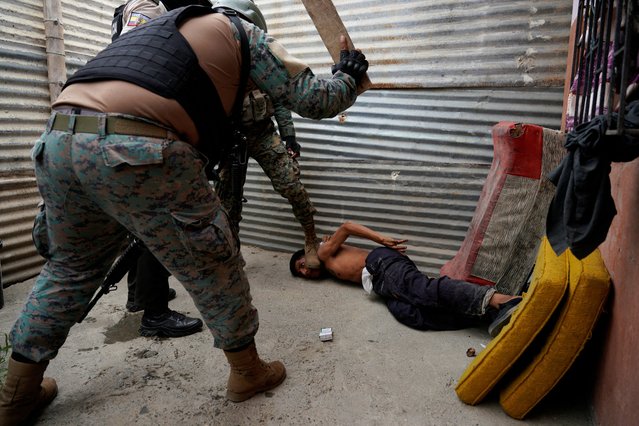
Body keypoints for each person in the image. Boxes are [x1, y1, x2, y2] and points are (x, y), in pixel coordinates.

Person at [0, 2, 368, 423]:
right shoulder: (241, 32)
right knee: (212, 261)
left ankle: (16, 396)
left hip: (58, 140)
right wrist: (349, 72)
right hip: (135, 146)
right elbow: (314, 100)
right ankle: (247, 373)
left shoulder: (156, 31)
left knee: (69, 269)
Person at [112, 0, 207, 338]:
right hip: (137, 129)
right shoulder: (149, 9)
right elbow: (138, 60)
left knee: (140, 224)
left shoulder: (141, 8)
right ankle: (155, 314)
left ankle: (142, 296)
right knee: (157, 224)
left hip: (126, 125)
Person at [212, 0, 322, 269]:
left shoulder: (257, 55)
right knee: (228, 202)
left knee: (290, 185)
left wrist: (289, 135)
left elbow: (280, 97)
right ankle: (232, 252)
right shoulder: (209, 54)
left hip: (262, 132)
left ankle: (311, 238)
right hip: (230, 139)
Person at [289, 221, 521, 334]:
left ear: (307, 254)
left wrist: (380, 238)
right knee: (410, 315)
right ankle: (486, 316)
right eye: (301, 273)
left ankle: (500, 300)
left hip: (381, 264)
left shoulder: (322, 252)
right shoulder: (328, 262)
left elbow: (347, 226)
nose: (305, 272)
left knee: (424, 291)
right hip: (381, 283)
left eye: (302, 265)